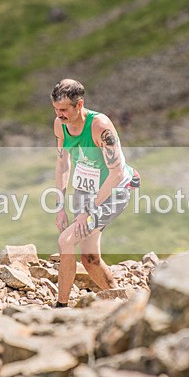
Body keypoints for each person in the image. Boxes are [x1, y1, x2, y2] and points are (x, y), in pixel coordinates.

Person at [51, 79, 139, 308]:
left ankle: (61, 308)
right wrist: (60, 207)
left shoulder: (100, 126)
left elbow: (116, 174)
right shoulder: (60, 125)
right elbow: (63, 164)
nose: (59, 114)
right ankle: (125, 304)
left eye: (64, 110)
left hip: (114, 191)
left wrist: (87, 211)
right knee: (89, 260)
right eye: (56, 109)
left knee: (66, 241)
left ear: (79, 105)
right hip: (87, 190)